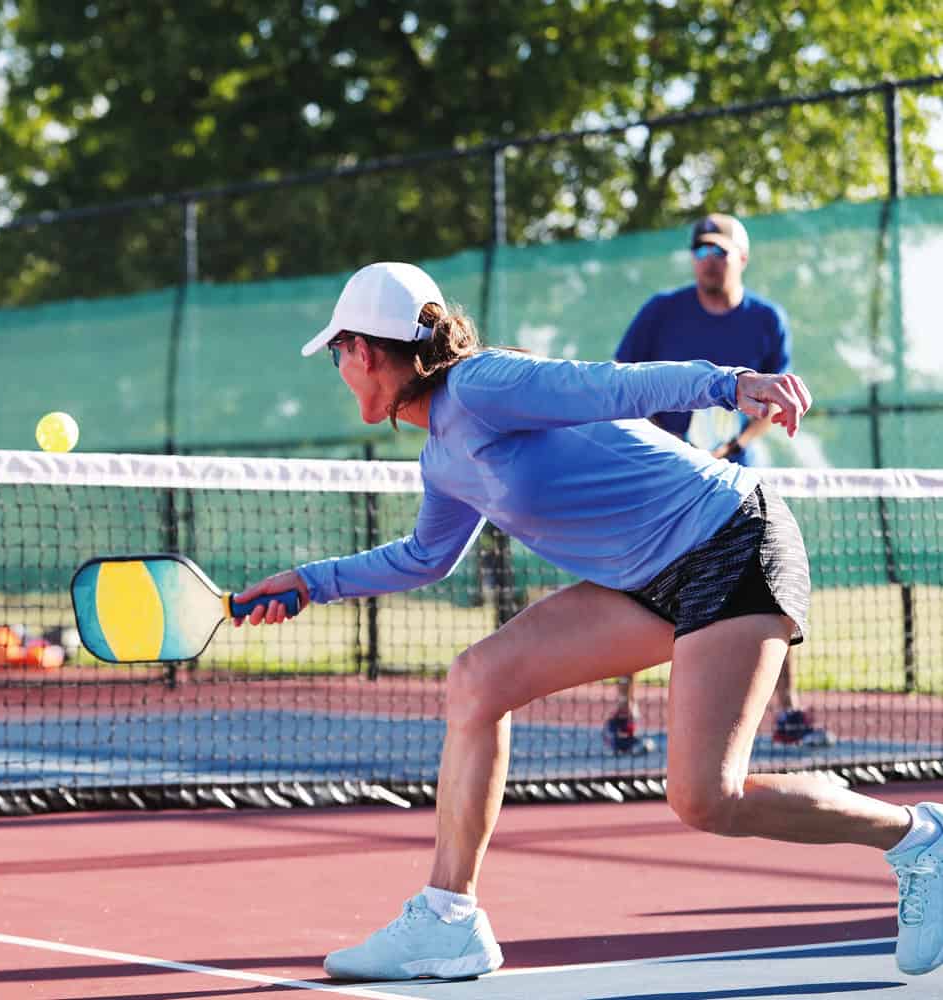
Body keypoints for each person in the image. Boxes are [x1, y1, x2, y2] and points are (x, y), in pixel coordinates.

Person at [233, 261, 942, 982]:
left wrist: (732, 384)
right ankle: (449, 919)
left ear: (363, 350)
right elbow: (426, 558)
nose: (339, 367)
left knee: (706, 797)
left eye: (336, 352)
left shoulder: (482, 384)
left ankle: (919, 839)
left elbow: (611, 385)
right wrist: (308, 583)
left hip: (730, 540)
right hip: (642, 579)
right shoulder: (443, 457)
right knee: (479, 680)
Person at [607, 213, 830, 755]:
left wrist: (727, 449)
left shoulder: (766, 320)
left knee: (770, 587)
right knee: (639, 583)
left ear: (742, 257)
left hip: (734, 483)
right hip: (663, 476)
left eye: (720, 252)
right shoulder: (661, 312)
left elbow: (773, 402)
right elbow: (618, 382)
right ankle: (624, 713)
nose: (709, 261)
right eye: (701, 252)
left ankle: (786, 713)